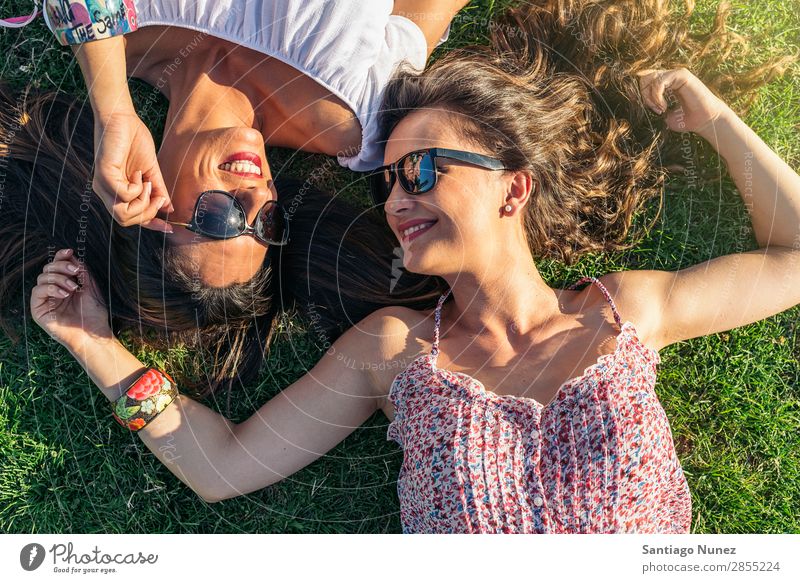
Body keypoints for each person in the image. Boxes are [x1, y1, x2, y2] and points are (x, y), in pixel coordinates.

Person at [30, 1, 800, 533]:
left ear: (514, 188)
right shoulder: (394, 352)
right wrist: (93, 342)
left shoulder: (624, 312)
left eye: (423, 172)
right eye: (395, 180)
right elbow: (223, 465)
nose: (397, 196)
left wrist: (718, 121)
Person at [1, 0, 463, 393]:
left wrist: (114, 110)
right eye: (268, 224)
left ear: (150, 203)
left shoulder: (112, 39)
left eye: (221, 217)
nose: (257, 194)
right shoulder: (357, 119)